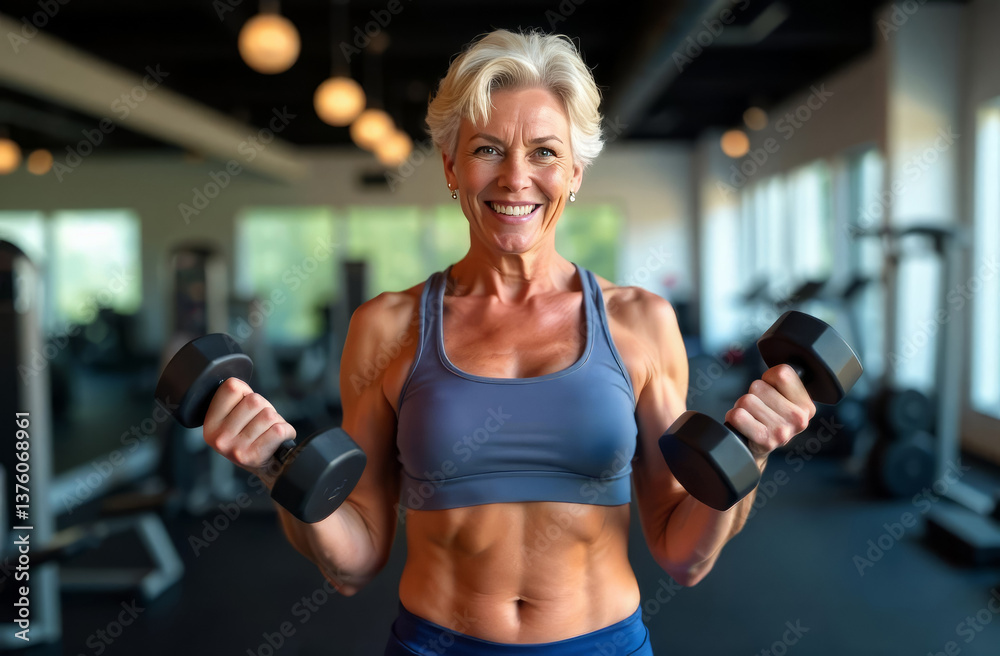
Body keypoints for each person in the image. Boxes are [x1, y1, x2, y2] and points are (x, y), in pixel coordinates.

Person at [202, 28, 816, 655]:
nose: (516, 177)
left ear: (576, 173)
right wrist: (276, 466)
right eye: (488, 148)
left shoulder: (641, 323)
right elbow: (354, 563)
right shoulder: (386, 327)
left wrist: (750, 454)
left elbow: (684, 555)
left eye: (545, 152)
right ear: (451, 166)